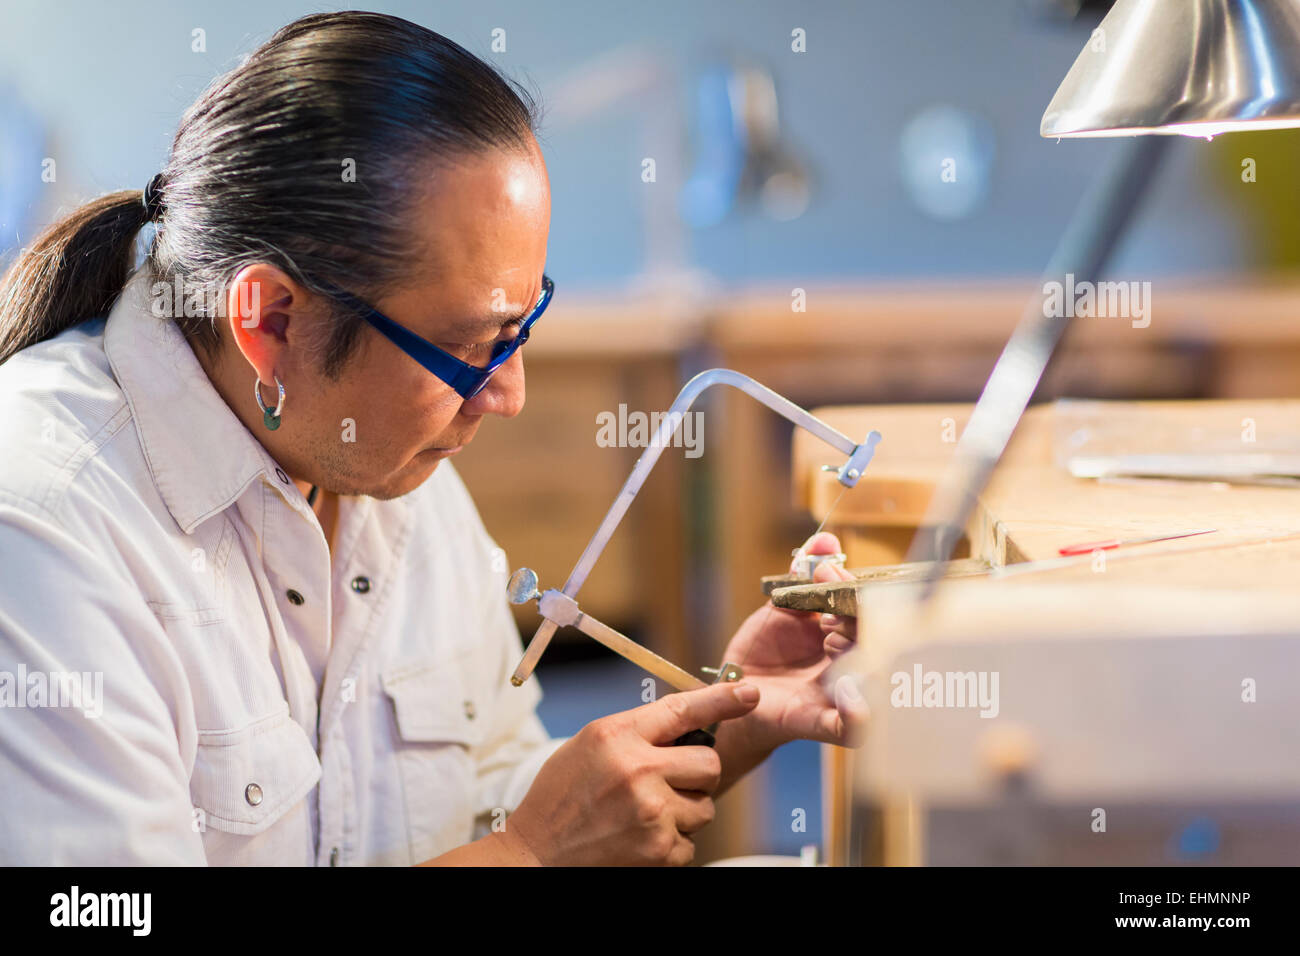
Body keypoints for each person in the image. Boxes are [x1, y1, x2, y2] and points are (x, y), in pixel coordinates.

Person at [0, 11, 865, 866]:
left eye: (523, 326)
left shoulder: (389, 480)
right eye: (468, 345)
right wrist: (533, 855)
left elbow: (491, 800)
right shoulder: (43, 527)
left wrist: (727, 721)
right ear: (268, 321)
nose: (509, 395)